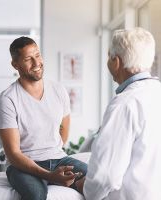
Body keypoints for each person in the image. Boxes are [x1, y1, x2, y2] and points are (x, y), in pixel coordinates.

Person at [0, 36, 87, 200]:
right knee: (36, 195)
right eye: (28, 59)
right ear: (15, 64)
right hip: (22, 166)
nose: (37, 63)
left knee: (98, 180)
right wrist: (50, 175)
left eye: (37, 55)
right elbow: (13, 153)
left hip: (58, 159)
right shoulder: (7, 99)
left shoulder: (58, 90)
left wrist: (52, 154)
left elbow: (63, 130)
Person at [76, 27, 161, 200]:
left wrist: (84, 187)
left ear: (116, 62)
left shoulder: (124, 104)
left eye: (109, 56)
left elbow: (105, 176)